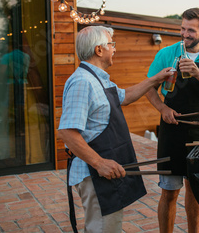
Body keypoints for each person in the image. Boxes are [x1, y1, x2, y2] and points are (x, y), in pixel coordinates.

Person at [58, 25, 173, 233]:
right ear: (99, 50)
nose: (115, 49)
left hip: (106, 171)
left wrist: (155, 79)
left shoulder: (98, 79)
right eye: (112, 44)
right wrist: (99, 163)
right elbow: (67, 132)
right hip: (95, 174)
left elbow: (125, 96)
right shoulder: (82, 82)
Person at [146, 8, 199, 233]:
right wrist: (162, 108)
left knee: (195, 192)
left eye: (191, 30)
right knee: (169, 192)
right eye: (183, 28)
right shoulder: (166, 53)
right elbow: (149, 88)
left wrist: (198, 72)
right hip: (171, 130)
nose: (185, 34)